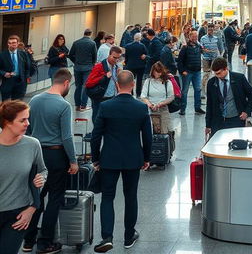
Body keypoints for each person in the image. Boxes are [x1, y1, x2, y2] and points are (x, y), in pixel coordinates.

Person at [91, 71, 152, 252]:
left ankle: (107, 237)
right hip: (133, 158)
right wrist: (147, 157)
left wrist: (95, 158)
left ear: (117, 85)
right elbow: (147, 137)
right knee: (131, 196)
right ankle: (128, 236)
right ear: (133, 84)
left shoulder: (106, 106)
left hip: (109, 158)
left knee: (108, 198)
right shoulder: (141, 108)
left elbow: (96, 136)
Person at [23, 69, 78, 254]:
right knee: (55, 198)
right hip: (56, 157)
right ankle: (45, 242)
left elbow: (27, 132)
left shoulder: (35, 100)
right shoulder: (63, 105)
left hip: (35, 155)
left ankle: (28, 240)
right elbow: (67, 137)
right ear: (66, 83)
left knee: (36, 198)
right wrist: (73, 160)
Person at [0, 100, 47, 254]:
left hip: (18, 215)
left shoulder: (32, 145)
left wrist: (32, 209)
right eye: (22, 120)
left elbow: (43, 170)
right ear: (7, 122)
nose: (27, 123)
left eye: (28, 118)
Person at [204, 57, 252, 137]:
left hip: (236, 120)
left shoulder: (239, 78)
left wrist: (247, 111)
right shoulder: (211, 83)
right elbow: (209, 104)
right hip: (218, 121)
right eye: (215, 73)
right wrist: (208, 125)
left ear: (226, 69)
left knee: (236, 144)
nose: (217, 76)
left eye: (219, 73)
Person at [85, 46, 124, 128]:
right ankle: (97, 134)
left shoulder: (116, 66)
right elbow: (89, 83)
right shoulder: (99, 66)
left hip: (111, 97)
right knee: (97, 117)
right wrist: (104, 77)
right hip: (100, 97)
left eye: (118, 58)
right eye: (114, 57)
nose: (116, 60)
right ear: (109, 55)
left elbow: (115, 81)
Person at [140, 62, 174, 135]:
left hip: (163, 109)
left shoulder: (167, 82)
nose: (158, 74)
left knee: (165, 132)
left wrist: (160, 104)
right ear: (153, 71)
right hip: (150, 110)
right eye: (156, 72)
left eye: (160, 72)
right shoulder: (148, 81)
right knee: (150, 133)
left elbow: (171, 97)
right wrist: (150, 104)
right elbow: (143, 96)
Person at [68, 29, 97, 111]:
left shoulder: (76, 42)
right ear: (90, 34)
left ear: (84, 34)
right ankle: (83, 105)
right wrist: (92, 64)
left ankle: (77, 105)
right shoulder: (92, 43)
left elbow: (70, 55)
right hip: (88, 67)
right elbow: (94, 56)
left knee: (78, 86)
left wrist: (76, 61)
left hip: (77, 67)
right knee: (86, 86)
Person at [177, 31, 205, 116]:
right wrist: (182, 71)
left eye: (196, 36)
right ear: (190, 37)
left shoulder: (198, 46)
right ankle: (182, 109)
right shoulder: (185, 47)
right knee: (185, 91)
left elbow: (202, 53)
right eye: (193, 36)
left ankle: (197, 107)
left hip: (197, 72)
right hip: (187, 72)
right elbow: (180, 61)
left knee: (198, 89)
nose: (195, 38)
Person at [0, 35, 35, 101]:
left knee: (18, 104)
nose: (11, 45)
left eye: (13, 43)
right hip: (7, 82)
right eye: (9, 43)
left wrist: (26, 77)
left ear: (17, 43)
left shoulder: (23, 54)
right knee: (6, 104)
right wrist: (4, 73)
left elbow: (27, 67)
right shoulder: (2, 55)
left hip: (20, 82)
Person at [201, 23, 225, 95]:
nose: (210, 31)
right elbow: (201, 47)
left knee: (215, 74)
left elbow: (221, 49)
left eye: (211, 30)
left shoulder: (216, 38)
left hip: (214, 59)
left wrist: (220, 57)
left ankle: (214, 90)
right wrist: (204, 50)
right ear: (207, 30)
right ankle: (203, 92)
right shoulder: (203, 38)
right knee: (206, 75)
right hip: (206, 58)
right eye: (209, 29)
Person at [124, 32, 147, 97]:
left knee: (131, 80)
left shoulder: (128, 46)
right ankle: (138, 93)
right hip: (140, 65)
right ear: (140, 38)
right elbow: (145, 55)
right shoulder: (142, 46)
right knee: (139, 80)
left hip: (130, 65)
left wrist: (126, 63)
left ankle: (131, 93)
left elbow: (126, 56)